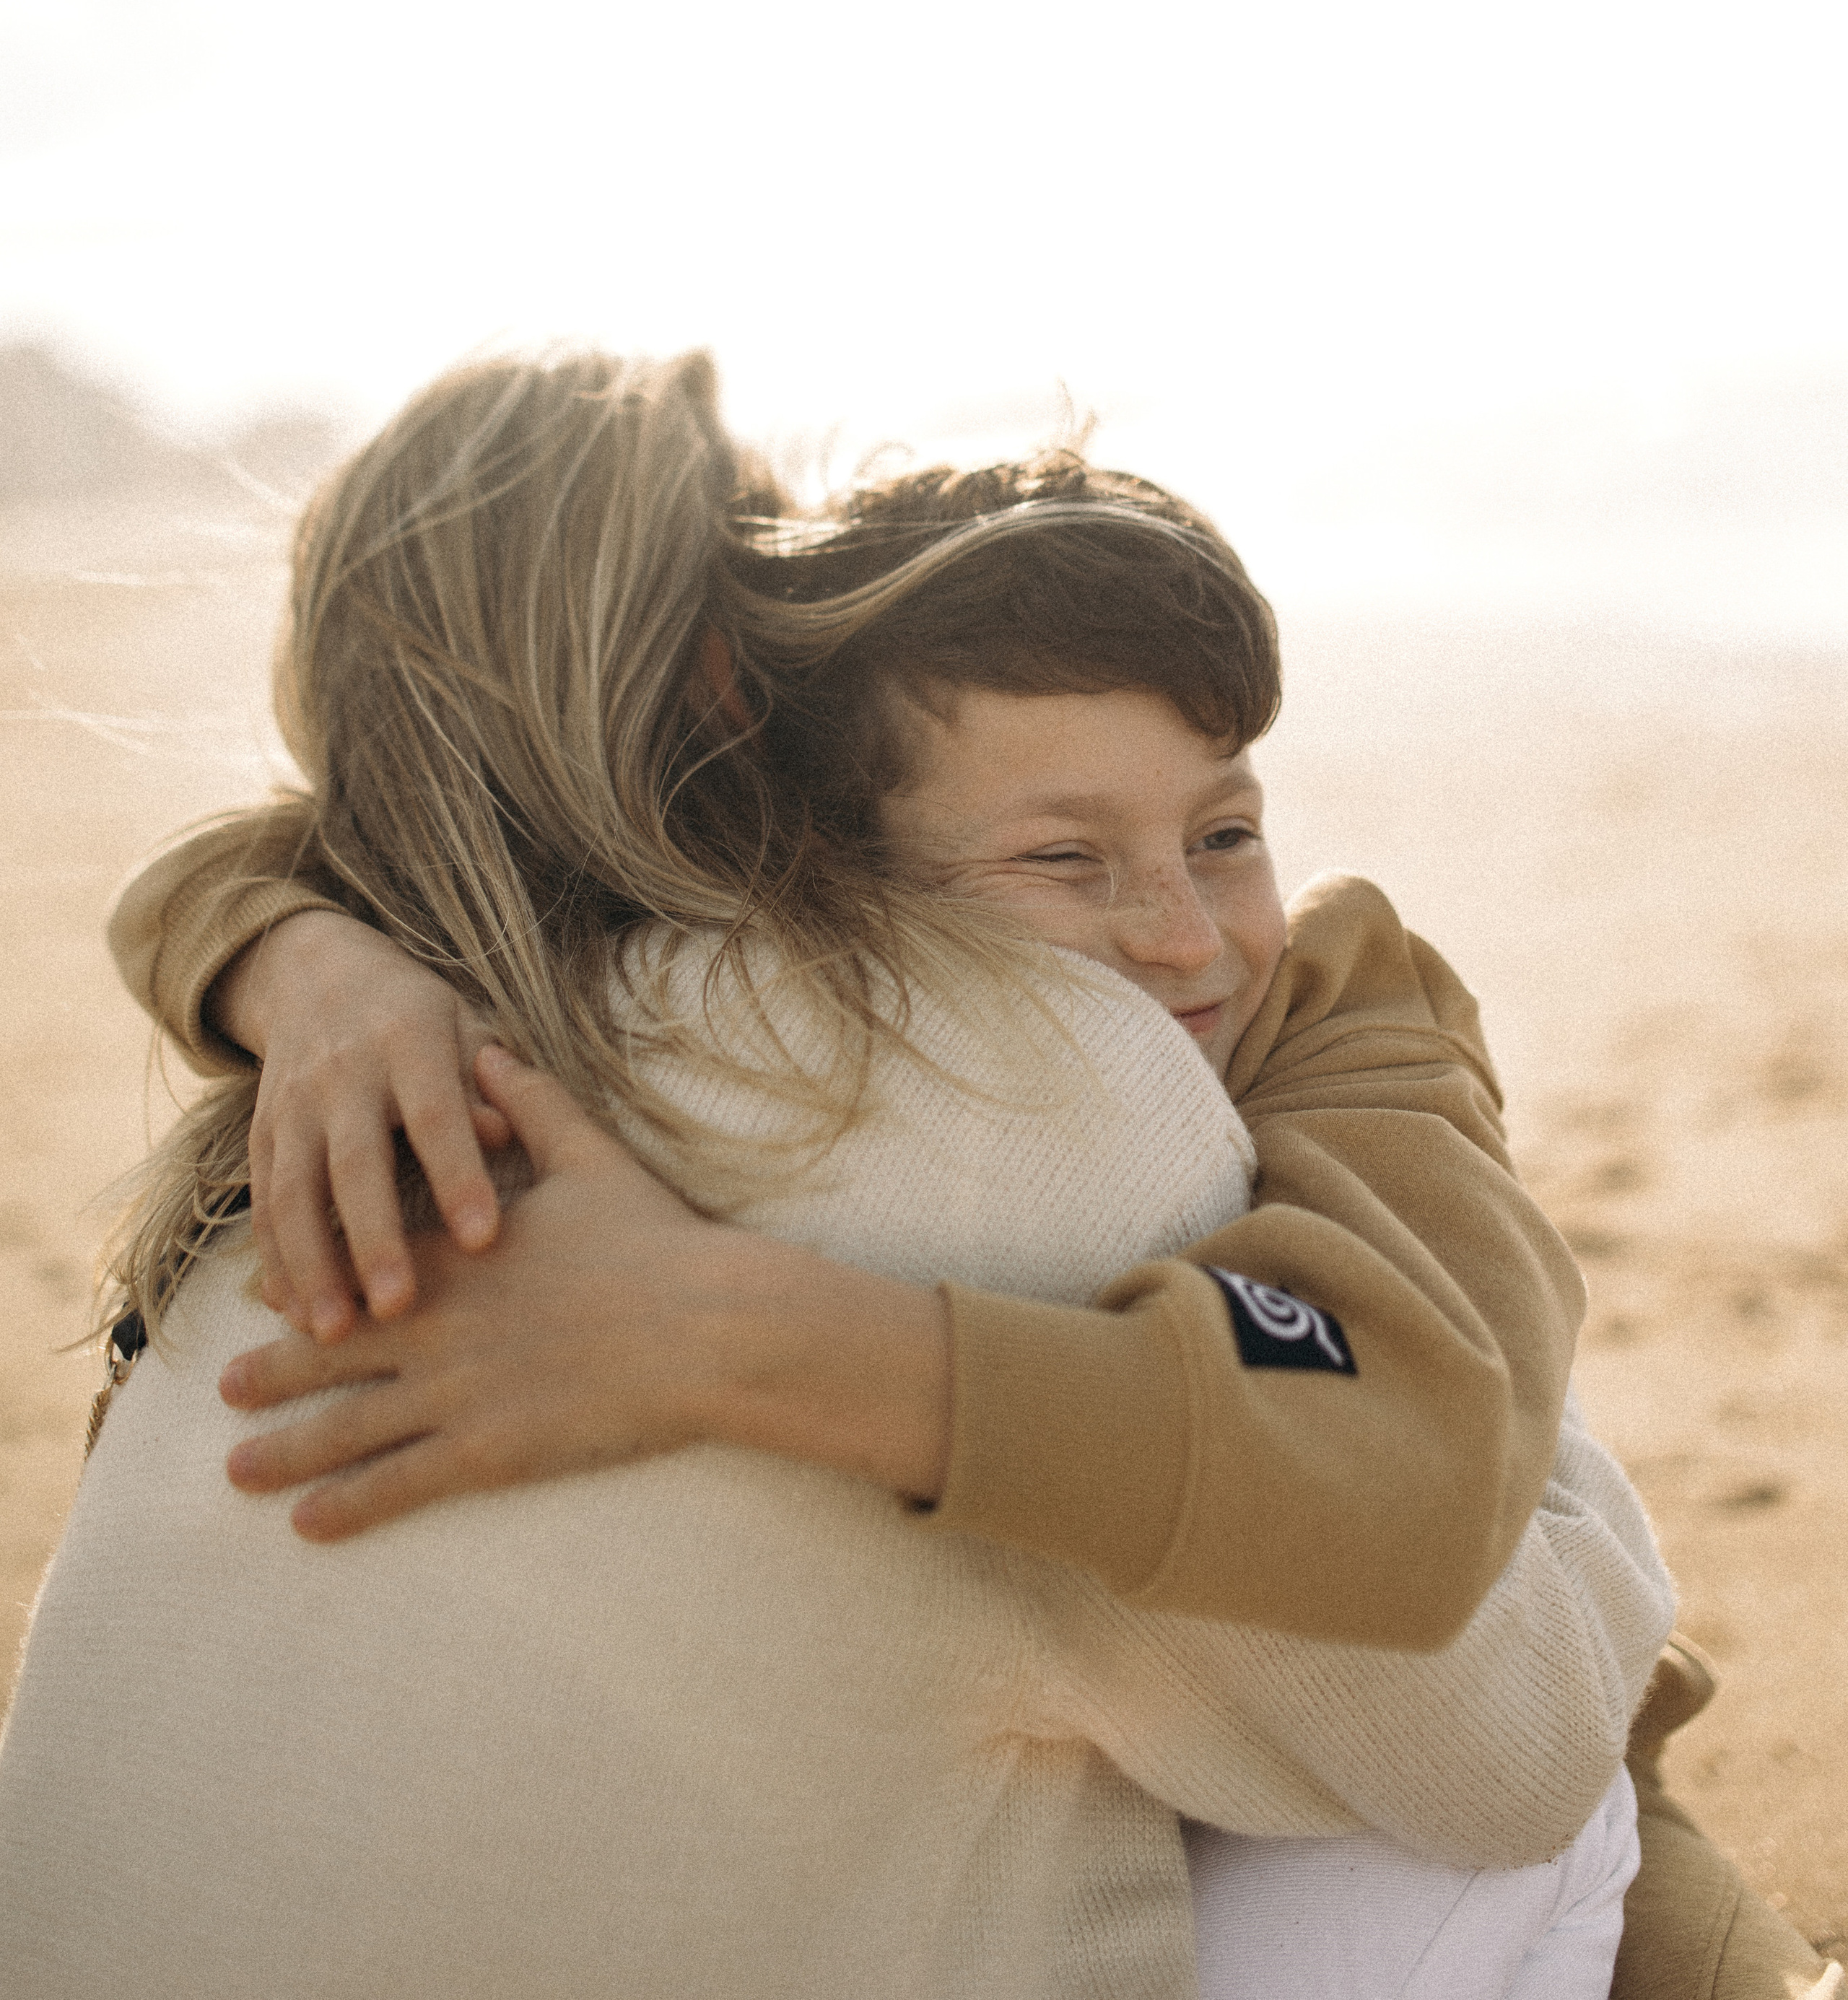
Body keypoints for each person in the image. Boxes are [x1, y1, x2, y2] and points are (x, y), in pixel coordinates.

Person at [0, 356, 1823, 1998]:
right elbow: (1501, 1748)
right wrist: (1582, 1541)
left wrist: (270, 939)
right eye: (785, 575)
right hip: (1371, 1581)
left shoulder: (277, 1152)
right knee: (1485, 1739)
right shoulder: (975, 1097)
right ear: (743, 694)